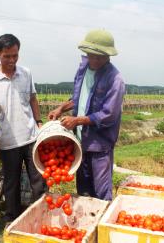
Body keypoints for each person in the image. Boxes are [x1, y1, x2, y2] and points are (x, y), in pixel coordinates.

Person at [48, 29, 125, 201]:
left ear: (108, 56)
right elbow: (79, 98)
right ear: (86, 53)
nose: (95, 60)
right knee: (83, 188)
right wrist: (61, 108)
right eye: (92, 55)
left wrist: (77, 120)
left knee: (101, 191)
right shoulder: (83, 69)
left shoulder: (115, 79)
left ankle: (101, 226)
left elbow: (108, 114)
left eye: (100, 57)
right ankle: (86, 224)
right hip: (80, 140)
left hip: (100, 144)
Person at [0, 34, 46, 222]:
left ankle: (40, 215)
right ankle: (12, 217)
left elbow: (33, 98)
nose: (11, 60)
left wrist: (39, 121)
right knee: (11, 182)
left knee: (38, 180)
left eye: (15, 56)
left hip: (31, 137)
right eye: (7, 56)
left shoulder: (26, 73)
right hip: (8, 140)